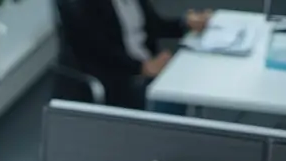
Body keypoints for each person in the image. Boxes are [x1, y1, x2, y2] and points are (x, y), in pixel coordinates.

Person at [58, 0, 212, 110]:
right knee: (169, 95)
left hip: (145, 65)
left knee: (186, 81)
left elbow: (153, 25)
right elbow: (97, 51)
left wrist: (184, 23)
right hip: (118, 75)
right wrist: (142, 68)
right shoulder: (83, 4)